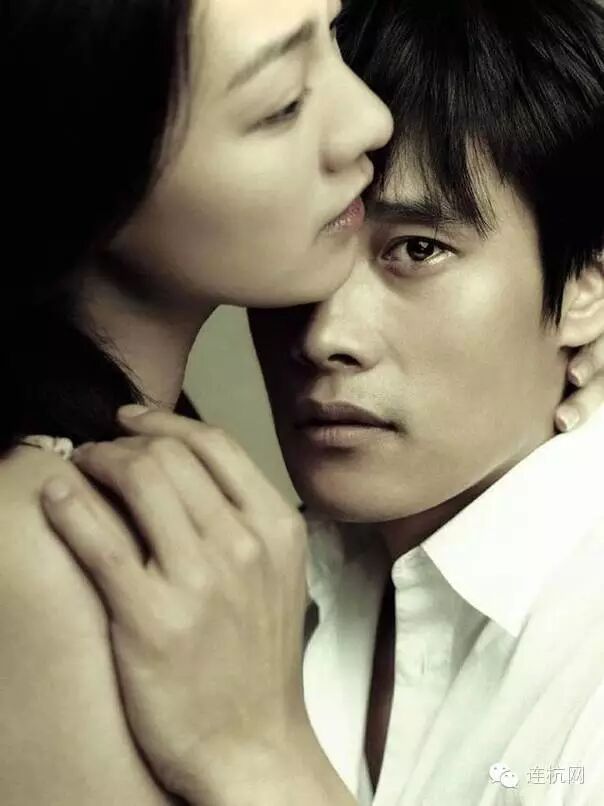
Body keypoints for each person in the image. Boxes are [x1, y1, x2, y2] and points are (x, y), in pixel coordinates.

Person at [38, 0, 604, 805]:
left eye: (417, 250)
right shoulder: (216, 574)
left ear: (589, 285)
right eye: (315, 250)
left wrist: (263, 758)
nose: (326, 335)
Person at [1, 1, 394, 803]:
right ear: (83, 166)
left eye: (333, 33)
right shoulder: (60, 549)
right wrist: (265, 755)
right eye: (282, 104)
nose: (370, 121)